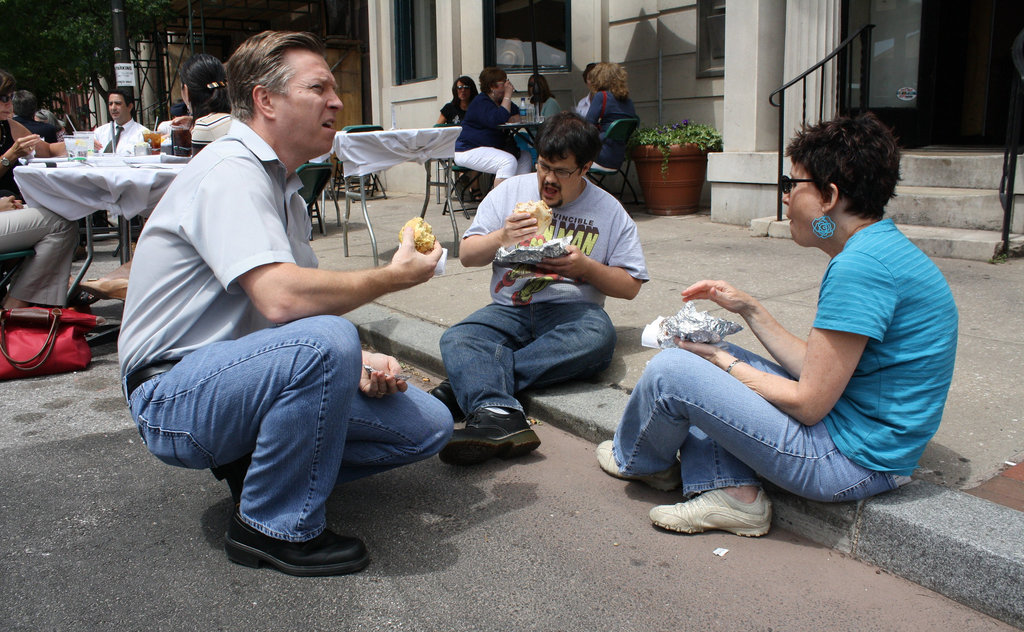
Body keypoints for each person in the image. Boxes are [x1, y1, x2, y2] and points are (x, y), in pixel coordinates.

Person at [117, 31, 452, 577]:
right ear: (264, 101)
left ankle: (264, 471)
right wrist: (392, 279)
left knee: (428, 425)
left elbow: (298, 315)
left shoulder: (286, 189)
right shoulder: (231, 172)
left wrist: (363, 361)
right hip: (172, 394)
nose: (337, 102)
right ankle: (270, 526)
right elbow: (281, 299)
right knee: (328, 342)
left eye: (334, 89)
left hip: (242, 373)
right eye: (318, 87)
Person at [598, 113, 958, 538]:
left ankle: (640, 461)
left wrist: (718, 361)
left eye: (793, 185)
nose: (785, 199)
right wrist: (749, 308)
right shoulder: (879, 247)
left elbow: (808, 402)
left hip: (847, 463)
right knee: (709, 367)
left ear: (828, 197)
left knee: (673, 369)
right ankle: (736, 496)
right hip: (858, 438)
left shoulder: (860, 268)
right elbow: (817, 369)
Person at [432, 112, 649, 466]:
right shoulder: (510, 193)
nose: (548, 180)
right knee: (458, 338)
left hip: (572, 315)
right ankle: (501, 414)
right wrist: (502, 236)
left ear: (585, 167)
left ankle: (472, 387)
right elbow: (468, 256)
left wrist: (586, 267)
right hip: (508, 310)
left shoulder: (610, 211)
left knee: (598, 337)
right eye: (543, 166)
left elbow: (631, 286)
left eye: (561, 171)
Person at [0, 70, 76, 309]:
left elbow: (49, 150)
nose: (10, 102)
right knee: (62, 224)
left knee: (64, 220)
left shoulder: (9, 127)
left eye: (10, 96)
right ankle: (17, 305)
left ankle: (24, 301)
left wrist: (82, 143)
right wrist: (9, 156)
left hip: (8, 208)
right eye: (4, 97)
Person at [453, 66, 532, 188]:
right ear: (492, 86)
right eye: (503, 82)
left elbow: (519, 114)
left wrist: (508, 111)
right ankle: (498, 204)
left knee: (525, 157)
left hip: (490, 148)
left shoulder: (501, 102)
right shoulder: (480, 102)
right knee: (507, 162)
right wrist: (508, 96)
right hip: (469, 149)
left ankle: (518, 199)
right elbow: (500, 118)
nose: (507, 85)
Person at [584, 62, 637, 171]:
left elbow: (587, 127)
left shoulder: (601, 97)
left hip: (600, 157)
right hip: (618, 158)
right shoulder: (629, 102)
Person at [93, 89, 146, 155]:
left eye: (118, 103)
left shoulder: (142, 134)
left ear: (129, 107)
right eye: (110, 104)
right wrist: (88, 144)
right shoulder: (100, 132)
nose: (113, 108)